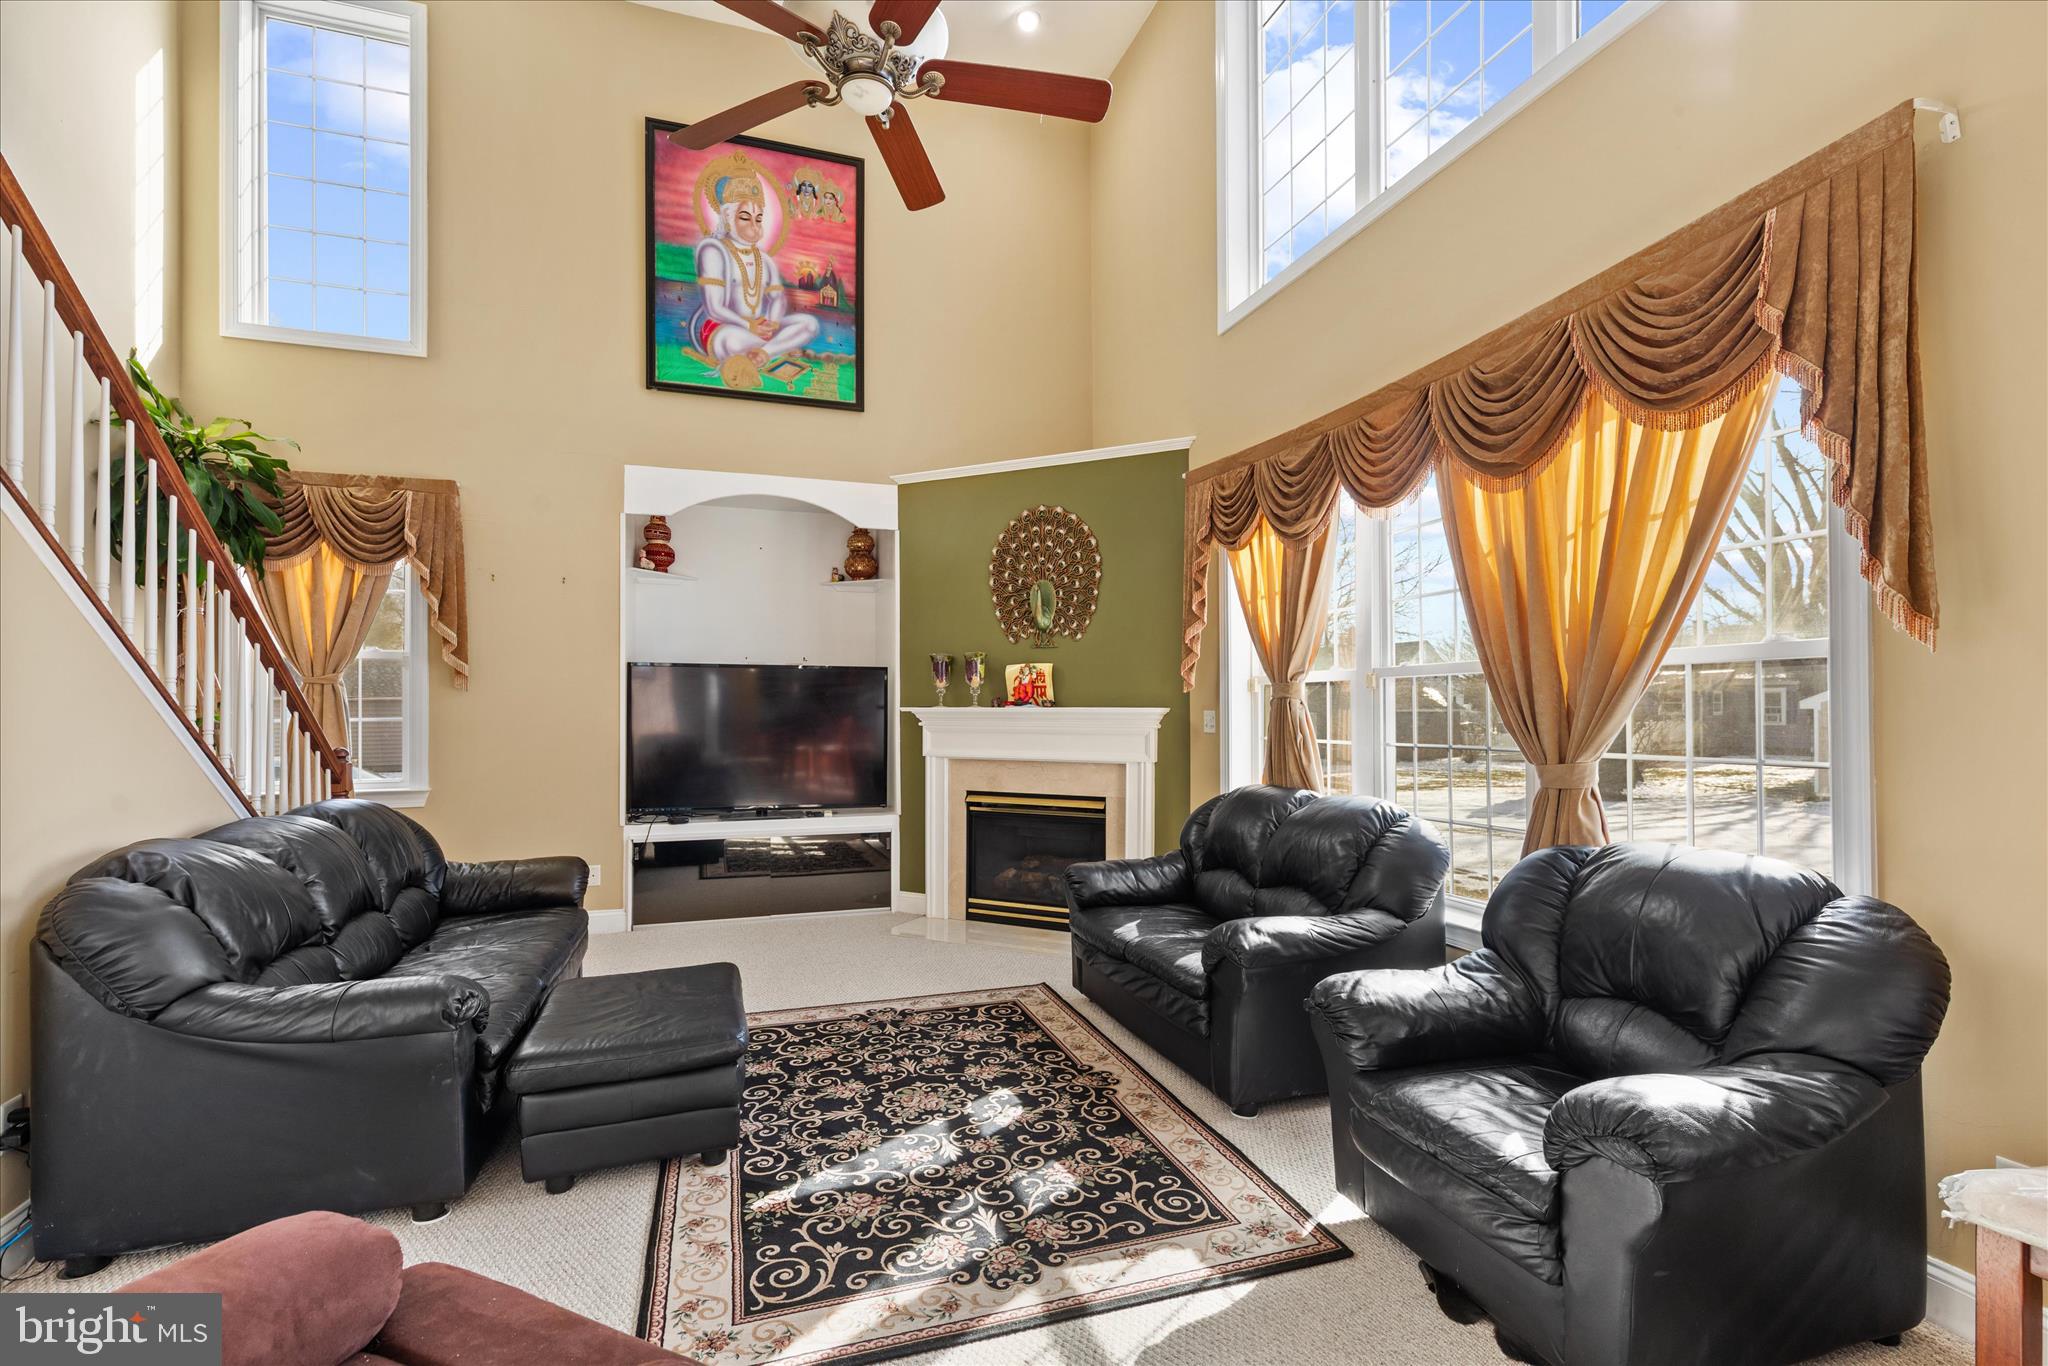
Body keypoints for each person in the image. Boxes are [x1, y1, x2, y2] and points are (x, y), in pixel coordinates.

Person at [689, 168, 818, 385]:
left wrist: (773, 324)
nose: (754, 226)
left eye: (758, 219)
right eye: (745, 218)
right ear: (728, 217)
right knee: (730, 341)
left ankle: (764, 353)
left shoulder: (764, 259)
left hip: (761, 328)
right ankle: (777, 348)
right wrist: (749, 326)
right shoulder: (713, 250)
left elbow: (777, 299)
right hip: (724, 328)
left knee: (809, 324)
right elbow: (714, 308)